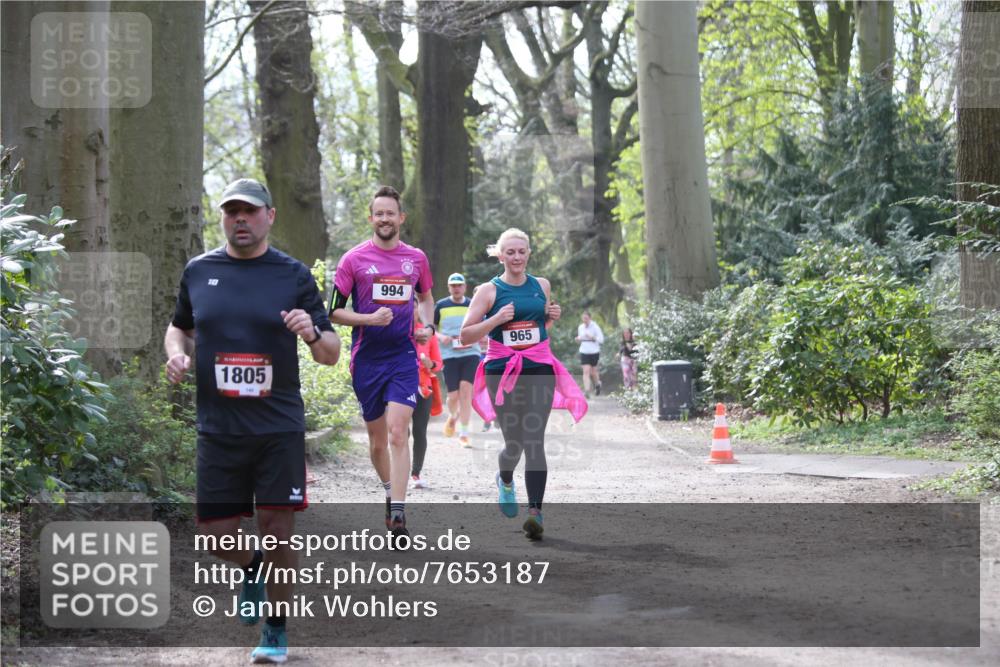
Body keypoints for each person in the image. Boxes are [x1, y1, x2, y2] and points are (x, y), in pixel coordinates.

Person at [165, 178, 340, 663]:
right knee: (215, 534)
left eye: (250, 211)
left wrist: (310, 332)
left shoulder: (293, 274)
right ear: (222, 218)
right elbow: (179, 327)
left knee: (277, 528)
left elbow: (330, 353)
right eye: (231, 212)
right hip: (218, 428)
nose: (240, 219)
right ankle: (254, 565)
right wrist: (176, 355)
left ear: (270, 216)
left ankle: (276, 632)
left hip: (277, 427)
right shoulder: (199, 271)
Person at [460, 228, 587, 540]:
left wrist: (552, 317)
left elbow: (537, 328)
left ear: (529, 253)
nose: (516, 257)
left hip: (539, 368)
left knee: (534, 440)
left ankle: (535, 513)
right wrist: (495, 319)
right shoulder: (488, 292)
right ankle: (505, 480)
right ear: (501, 256)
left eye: (521, 251)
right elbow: (465, 336)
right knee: (514, 443)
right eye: (510, 252)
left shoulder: (541, 285)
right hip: (501, 371)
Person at [329, 185, 434, 542]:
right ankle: (391, 491)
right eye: (379, 213)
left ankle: (400, 511)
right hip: (367, 361)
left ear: (401, 218)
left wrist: (428, 326)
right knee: (377, 444)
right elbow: (333, 311)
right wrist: (368, 319)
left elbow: (426, 298)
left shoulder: (416, 258)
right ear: (371, 218)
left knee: (397, 432)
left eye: (391, 213)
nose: (385, 219)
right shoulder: (353, 260)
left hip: (403, 358)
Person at [434, 272, 481, 447]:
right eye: (453, 285)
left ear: (464, 287)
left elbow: (481, 325)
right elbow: (431, 328)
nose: (456, 288)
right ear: (449, 288)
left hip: (471, 353)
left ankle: (464, 433)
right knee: (453, 396)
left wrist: (481, 337)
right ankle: (453, 416)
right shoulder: (441, 305)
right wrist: (440, 337)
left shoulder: (473, 304)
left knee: (466, 391)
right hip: (449, 354)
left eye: (459, 285)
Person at [411, 321, 443, 488]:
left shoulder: (427, 333)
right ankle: (397, 470)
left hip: (424, 387)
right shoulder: (396, 327)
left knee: (419, 430)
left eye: (415, 305)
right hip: (400, 385)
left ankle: (416, 473)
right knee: (400, 430)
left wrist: (430, 364)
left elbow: (438, 363)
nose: (412, 308)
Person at [576, 310, 604, 397]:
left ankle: (598, 384)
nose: (585, 320)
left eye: (586, 318)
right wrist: (577, 339)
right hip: (584, 350)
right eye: (583, 318)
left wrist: (592, 337)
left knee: (593, 372)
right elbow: (580, 338)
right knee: (586, 371)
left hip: (594, 351)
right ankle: (587, 391)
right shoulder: (580, 327)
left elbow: (601, 340)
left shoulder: (595, 327)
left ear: (590, 318)